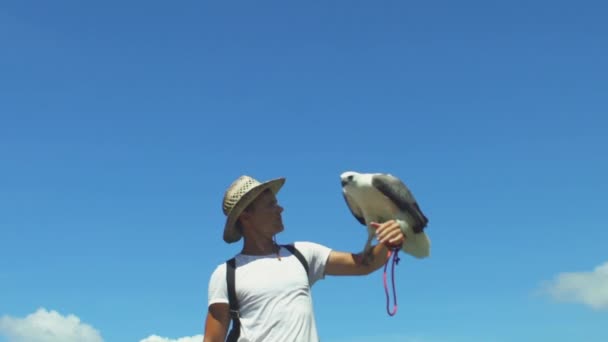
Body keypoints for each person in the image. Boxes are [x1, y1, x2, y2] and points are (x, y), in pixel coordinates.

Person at [203, 175, 405, 342]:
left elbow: (362, 266)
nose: (280, 209)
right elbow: (212, 340)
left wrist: (391, 238)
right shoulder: (226, 274)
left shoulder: (302, 254)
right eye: (271, 204)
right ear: (246, 216)